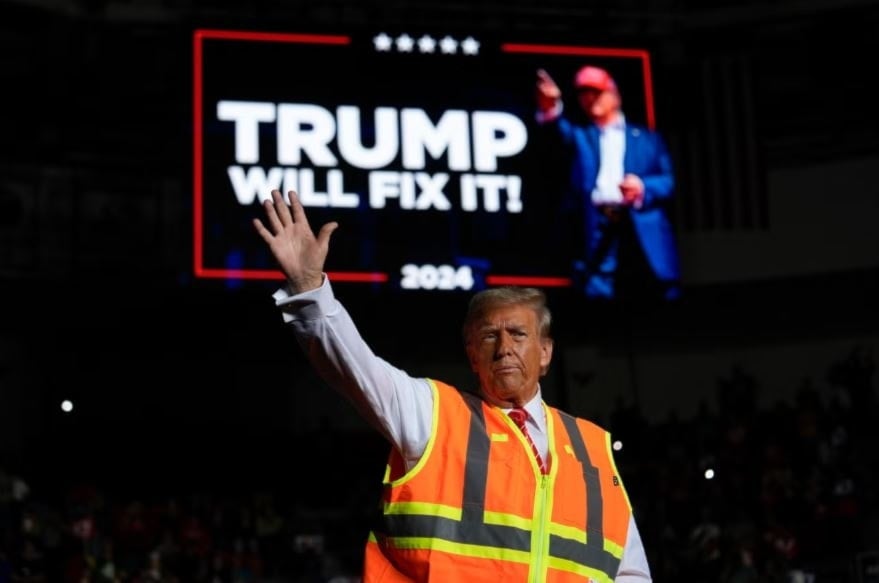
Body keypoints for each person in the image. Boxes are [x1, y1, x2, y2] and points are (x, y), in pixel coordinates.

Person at [252, 188, 652, 582]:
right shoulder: (434, 414)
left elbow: (629, 571)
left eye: (518, 334)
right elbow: (355, 368)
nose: (505, 348)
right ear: (472, 353)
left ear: (546, 353)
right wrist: (309, 292)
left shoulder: (594, 449)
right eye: (489, 336)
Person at [535, 65, 681, 301]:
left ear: (614, 94)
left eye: (596, 92)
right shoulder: (581, 136)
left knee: (652, 301)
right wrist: (551, 107)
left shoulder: (647, 138)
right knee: (597, 301)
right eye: (584, 93)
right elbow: (556, 134)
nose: (590, 99)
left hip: (638, 229)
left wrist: (642, 187)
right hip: (597, 227)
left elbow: (668, 181)